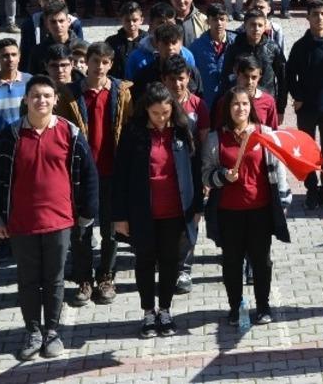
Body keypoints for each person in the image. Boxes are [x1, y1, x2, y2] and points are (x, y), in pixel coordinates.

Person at [0, 75, 99, 360]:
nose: (41, 101)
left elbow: (89, 175)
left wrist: (87, 213)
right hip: (22, 222)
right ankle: (32, 331)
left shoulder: (69, 132)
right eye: (36, 95)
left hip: (60, 221)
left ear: (55, 100)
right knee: (27, 280)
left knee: (55, 280)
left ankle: (52, 332)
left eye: (47, 96)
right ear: (26, 99)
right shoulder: (10, 136)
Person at [112, 83, 202, 338]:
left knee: (170, 262)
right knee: (144, 262)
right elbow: (120, 176)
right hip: (143, 212)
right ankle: (148, 313)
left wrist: (197, 208)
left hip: (176, 211)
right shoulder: (133, 133)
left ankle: (165, 310)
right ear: (146, 111)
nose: (162, 119)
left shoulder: (184, 130)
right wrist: (120, 216)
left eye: (165, 113)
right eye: (156, 114)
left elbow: (194, 171)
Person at [201, 85, 291, 326]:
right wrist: (222, 176)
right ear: (226, 109)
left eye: (244, 104)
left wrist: (283, 201)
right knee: (232, 262)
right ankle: (235, 306)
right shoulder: (215, 138)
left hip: (260, 209)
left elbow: (278, 170)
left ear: (250, 107)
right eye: (235, 104)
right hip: (228, 212)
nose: (240, 108)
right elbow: (205, 174)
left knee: (262, 261)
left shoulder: (265, 133)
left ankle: (263, 306)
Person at [60, 42, 133, 309]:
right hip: (82, 173)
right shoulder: (69, 94)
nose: (99, 67)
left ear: (110, 64)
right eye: (95, 61)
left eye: (104, 62)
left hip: (113, 170)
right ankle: (83, 278)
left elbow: (128, 128)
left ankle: (106, 276)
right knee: (82, 229)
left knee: (111, 229)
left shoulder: (122, 92)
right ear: (86, 62)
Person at [287, 1, 323, 211]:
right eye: (315, 14)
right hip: (306, 108)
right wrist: (298, 96)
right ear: (308, 17)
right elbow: (289, 75)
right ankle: (311, 188)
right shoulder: (299, 46)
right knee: (306, 151)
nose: (319, 18)